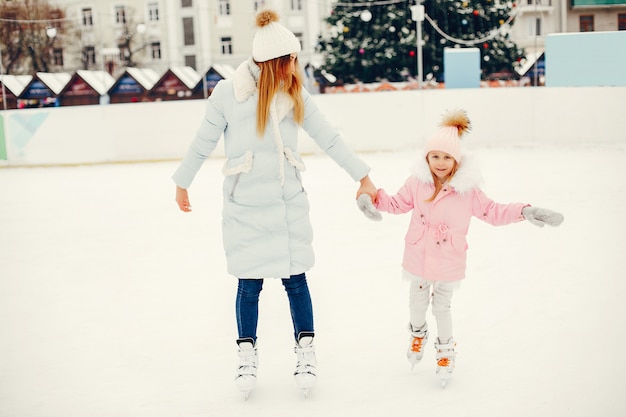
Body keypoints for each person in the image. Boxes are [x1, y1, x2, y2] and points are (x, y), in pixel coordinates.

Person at [172, 9, 376, 398]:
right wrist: (183, 182)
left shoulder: (294, 94)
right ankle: (246, 356)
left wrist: (361, 175)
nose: (294, 67)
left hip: (286, 205)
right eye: (289, 61)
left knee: (296, 280)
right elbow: (203, 141)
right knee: (248, 286)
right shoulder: (228, 95)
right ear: (271, 64)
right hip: (245, 206)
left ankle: (306, 351)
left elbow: (329, 137)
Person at [358, 109, 563, 386]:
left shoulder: (467, 190)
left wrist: (523, 211)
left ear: (456, 159)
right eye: (435, 156)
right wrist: (373, 199)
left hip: (448, 259)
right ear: (427, 157)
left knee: (442, 307)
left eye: (447, 157)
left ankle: (445, 351)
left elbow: (492, 211)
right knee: (416, 304)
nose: (440, 162)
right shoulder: (416, 183)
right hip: (418, 256)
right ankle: (418, 333)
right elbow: (395, 204)